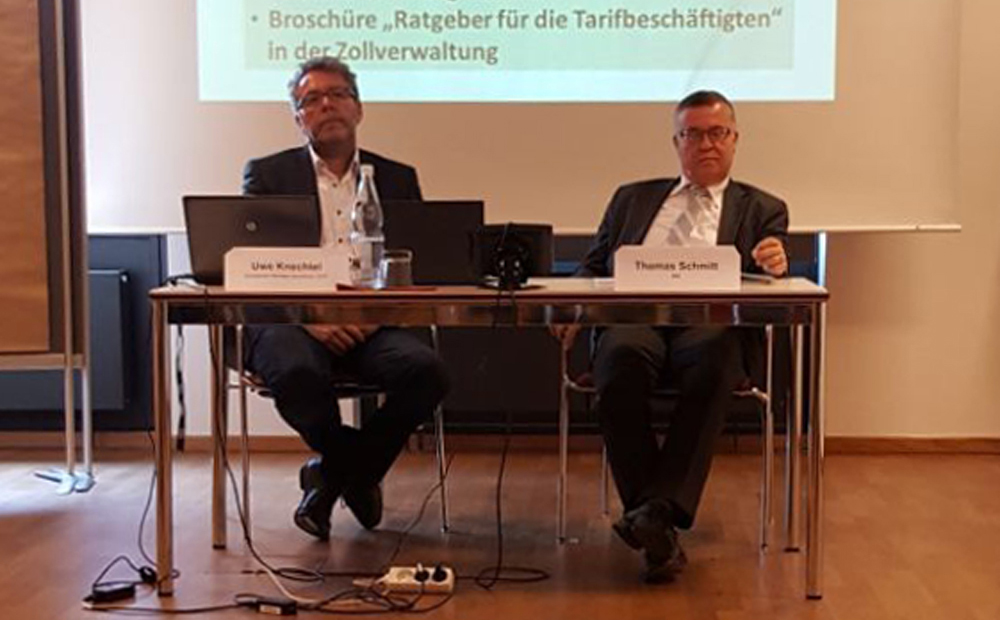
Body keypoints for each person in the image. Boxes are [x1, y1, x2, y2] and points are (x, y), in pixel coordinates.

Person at [555, 90, 789, 582]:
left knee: (716, 361)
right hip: (634, 320)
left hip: (711, 325)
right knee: (618, 361)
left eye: (717, 133)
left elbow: (770, 273)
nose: (706, 144)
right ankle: (656, 517)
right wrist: (571, 306)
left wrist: (775, 264)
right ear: (676, 141)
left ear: (735, 139)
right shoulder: (632, 199)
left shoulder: (763, 207)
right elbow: (592, 268)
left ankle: (652, 515)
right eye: (693, 134)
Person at [241, 57, 449, 541]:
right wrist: (310, 319)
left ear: (358, 108)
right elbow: (256, 265)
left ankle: (332, 476)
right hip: (294, 323)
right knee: (296, 370)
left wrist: (371, 317)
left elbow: (411, 266)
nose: (327, 105)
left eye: (338, 94)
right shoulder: (267, 175)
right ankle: (356, 469)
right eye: (311, 99)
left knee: (428, 372)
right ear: (298, 118)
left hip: (371, 323)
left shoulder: (395, 178)